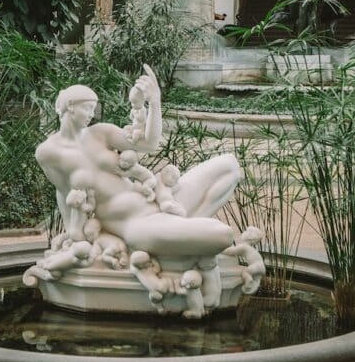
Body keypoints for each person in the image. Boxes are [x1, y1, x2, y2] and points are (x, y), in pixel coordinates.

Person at [34, 65, 240, 260]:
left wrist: (155, 102)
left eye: (93, 109)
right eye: (87, 108)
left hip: (158, 200)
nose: (91, 115)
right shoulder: (48, 152)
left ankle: (183, 224)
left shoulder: (100, 133)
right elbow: (62, 192)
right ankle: (181, 230)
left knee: (229, 165)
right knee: (222, 234)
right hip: (135, 223)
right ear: (70, 106)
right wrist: (74, 234)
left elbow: (149, 144)